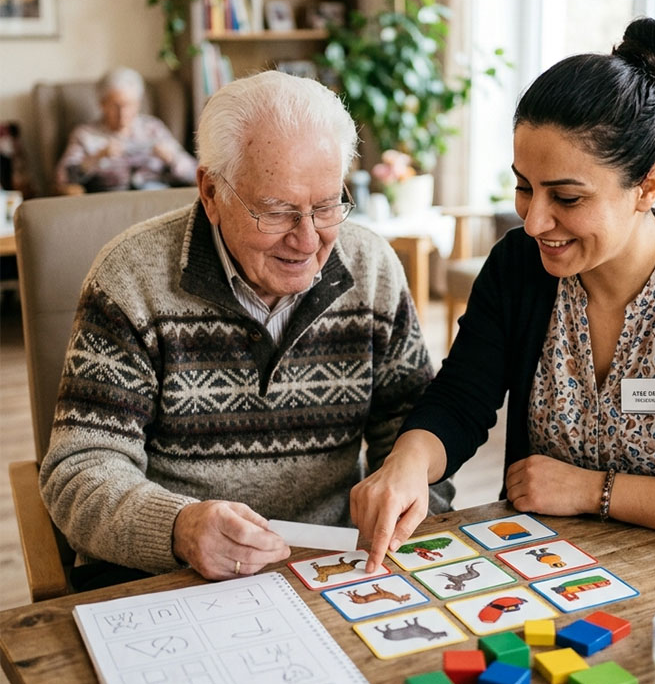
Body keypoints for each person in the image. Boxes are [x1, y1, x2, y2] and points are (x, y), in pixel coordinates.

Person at [352, 18, 655, 571]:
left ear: (647, 186)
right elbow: (461, 400)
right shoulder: (518, 267)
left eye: (566, 196)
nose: (535, 221)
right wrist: (408, 462)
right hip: (552, 568)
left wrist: (595, 491)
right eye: (523, 187)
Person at [40, 71, 452, 586]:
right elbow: (79, 471)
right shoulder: (130, 278)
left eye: (326, 206)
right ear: (211, 192)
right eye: (277, 212)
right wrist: (178, 529)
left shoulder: (372, 269)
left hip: (330, 567)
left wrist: (411, 507)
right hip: (171, 576)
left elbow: (416, 432)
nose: (307, 241)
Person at [54, 67, 197, 194]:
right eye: (115, 106)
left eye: (129, 105)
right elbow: (62, 178)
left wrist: (171, 159)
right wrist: (95, 158)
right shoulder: (85, 134)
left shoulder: (153, 128)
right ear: (102, 104)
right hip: (110, 202)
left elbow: (194, 173)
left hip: (155, 198)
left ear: (138, 104)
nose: (123, 113)